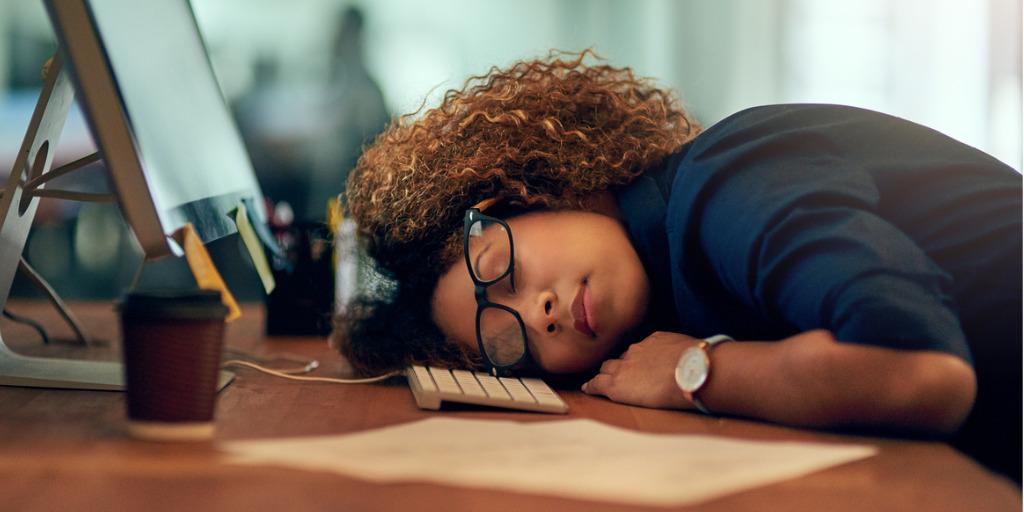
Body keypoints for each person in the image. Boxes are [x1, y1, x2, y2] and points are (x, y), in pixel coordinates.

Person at [332, 50, 1022, 481]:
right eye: (503, 338)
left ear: (523, 193)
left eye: (499, 268)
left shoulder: (723, 188)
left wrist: (701, 372)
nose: (536, 315)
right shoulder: (667, 277)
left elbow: (923, 373)